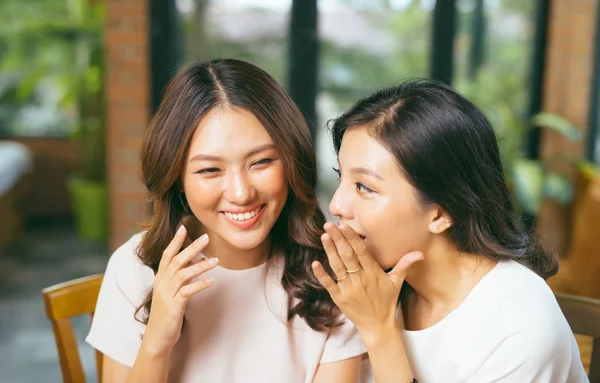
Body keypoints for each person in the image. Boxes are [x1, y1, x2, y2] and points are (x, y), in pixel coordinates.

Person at [86, 59, 366, 383]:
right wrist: (157, 343)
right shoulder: (136, 268)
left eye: (261, 162)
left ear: (291, 160)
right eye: (210, 170)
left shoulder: (334, 272)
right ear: (177, 178)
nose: (241, 192)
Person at [311, 79, 589, 383]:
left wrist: (379, 331)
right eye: (341, 178)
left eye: (364, 187)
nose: (337, 204)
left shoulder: (519, 329)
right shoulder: (367, 285)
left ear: (441, 214)